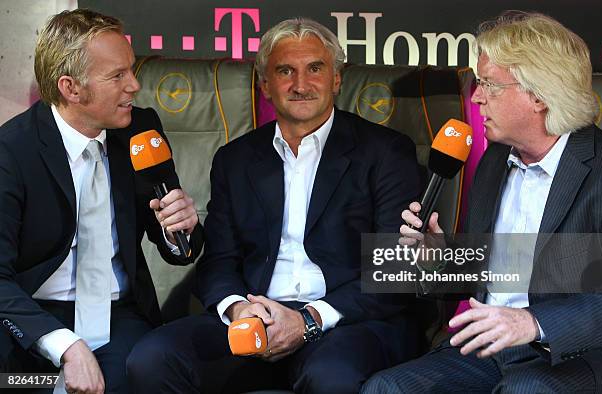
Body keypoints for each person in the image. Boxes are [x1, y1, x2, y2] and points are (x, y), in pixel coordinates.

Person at [127, 17, 423, 394]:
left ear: (336, 78)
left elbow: (393, 270)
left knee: (331, 378)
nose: (301, 85)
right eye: (285, 71)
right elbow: (219, 261)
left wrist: (310, 320)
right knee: (152, 359)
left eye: (315, 68)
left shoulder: (386, 153)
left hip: (347, 323)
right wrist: (237, 310)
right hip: (256, 317)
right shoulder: (235, 160)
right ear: (265, 84)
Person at [362, 11, 602, 394]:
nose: (475, 97)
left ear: (540, 95)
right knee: (387, 388)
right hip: (488, 352)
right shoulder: (495, 160)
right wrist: (438, 259)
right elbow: (491, 271)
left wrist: (531, 322)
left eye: (489, 85)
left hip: (576, 354)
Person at [0, 9, 203, 394]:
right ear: (70, 88)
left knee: (139, 376)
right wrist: (66, 347)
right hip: (33, 316)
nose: (135, 86)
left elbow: (178, 249)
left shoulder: (141, 130)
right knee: (24, 387)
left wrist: (182, 228)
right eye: (118, 76)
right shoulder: (12, 153)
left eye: (132, 69)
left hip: (120, 315)